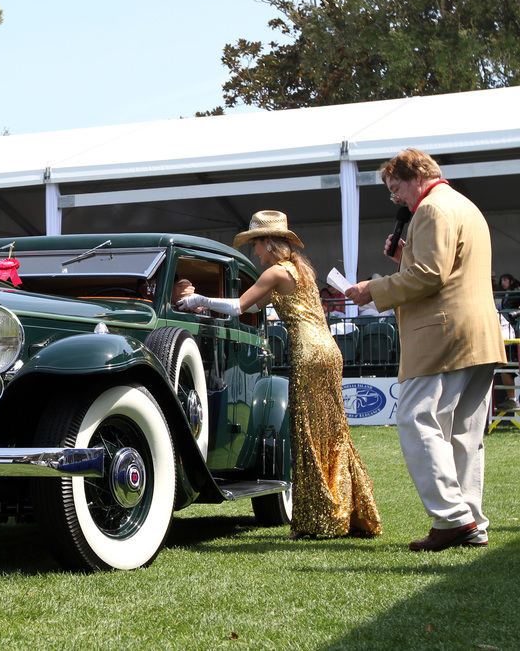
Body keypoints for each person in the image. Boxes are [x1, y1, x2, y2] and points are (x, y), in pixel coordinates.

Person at [179, 210, 381, 539]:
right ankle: (346, 511)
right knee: (331, 432)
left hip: (309, 354)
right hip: (329, 352)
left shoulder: (274, 273)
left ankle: (323, 518)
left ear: (270, 244)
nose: (254, 252)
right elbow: (255, 307)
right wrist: (206, 305)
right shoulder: (299, 271)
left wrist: (196, 300)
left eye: (256, 245)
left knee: (306, 433)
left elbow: (238, 307)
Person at [345, 148, 505, 551]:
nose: (395, 197)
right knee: (463, 434)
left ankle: (453, 518)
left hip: (443, 336)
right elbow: (446, 268)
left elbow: (432, 275)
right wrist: (405, 256)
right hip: (478, 336)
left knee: (416, 419)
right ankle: (470, 521)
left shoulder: (432, 210)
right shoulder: (463, 206)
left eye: (396, 187)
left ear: (416, 175)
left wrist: (373, 289)